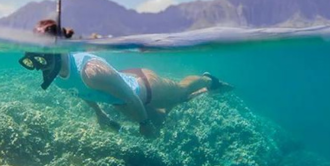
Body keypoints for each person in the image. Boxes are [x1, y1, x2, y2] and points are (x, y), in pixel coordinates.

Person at [19, 19, 232, 137]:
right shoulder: (55, 75)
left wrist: (144, 123)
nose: (41, 68)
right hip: (121, 97)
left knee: (181, 92)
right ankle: (186, 100)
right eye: (36, 62)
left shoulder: (92, 71)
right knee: (162, 119)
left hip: (146, 88)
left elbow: (130, 95)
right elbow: (80, 91)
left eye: (43, 59)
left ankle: (206, 80)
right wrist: (99, 113)